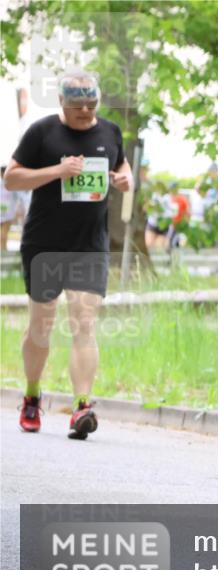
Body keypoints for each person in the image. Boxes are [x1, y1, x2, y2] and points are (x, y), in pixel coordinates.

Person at [4, 69, 132, 440]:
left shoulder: (109, 131)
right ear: (62, 102)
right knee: (41, 326)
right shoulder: (42, 133)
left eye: (92, 104)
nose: (87, 112)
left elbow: (120, 164)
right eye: (79, 107)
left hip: (89, 244)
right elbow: (11, 177)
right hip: (44, 244)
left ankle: (82, 406)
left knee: (84, 322)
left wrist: (126, 178)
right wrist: (57, 170)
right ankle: (31, 395)